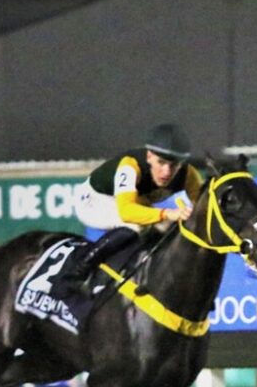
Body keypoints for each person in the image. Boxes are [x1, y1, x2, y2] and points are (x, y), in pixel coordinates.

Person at [54, 123, 204, 294]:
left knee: (165, 229)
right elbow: (127, 212)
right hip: (94, 201)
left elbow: (201, 211)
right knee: (137, 225)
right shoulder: (130, 165)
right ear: (149, 156)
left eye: (174, 165)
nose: (166, 172)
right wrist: (169, 213)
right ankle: (79, 272)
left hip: (132, 203)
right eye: (161, 162)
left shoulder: (189, 175)